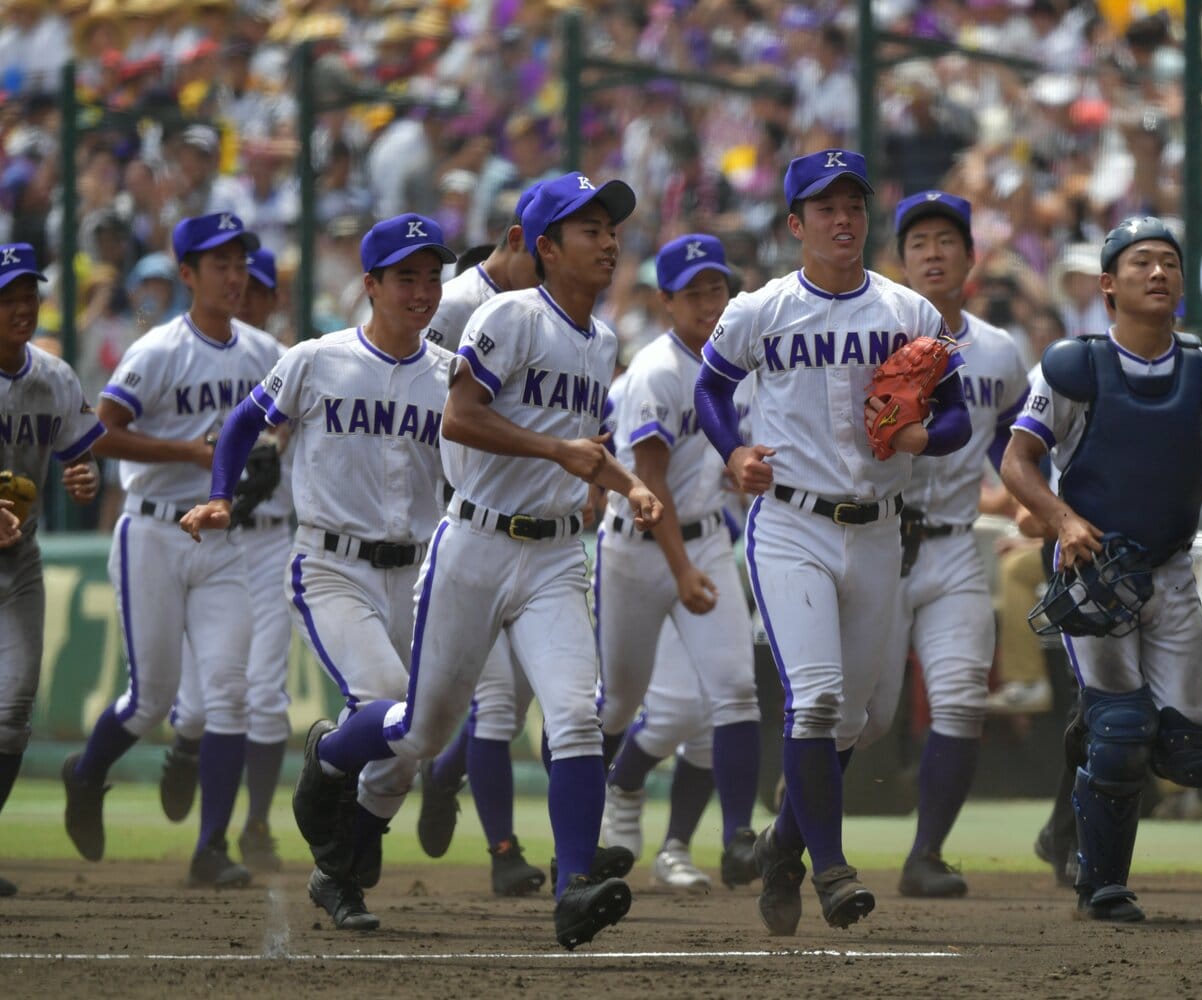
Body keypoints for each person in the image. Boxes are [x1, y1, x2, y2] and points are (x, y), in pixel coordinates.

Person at [284, 172, 663, 951]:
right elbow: (460, 418)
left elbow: (578, 449)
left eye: (611, 227)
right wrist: (559, 450)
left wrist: (626, 484)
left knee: (575, 717)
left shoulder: (600, 339)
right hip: (476, 544)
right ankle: (332, 755)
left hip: (557, 552)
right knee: (422, 729)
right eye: (588, 229)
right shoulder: (508, 316)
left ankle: (574, 886)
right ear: (545, 247)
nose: (609, 240)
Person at [694, 149, 971, 935]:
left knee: (866, 718)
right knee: (814, 700)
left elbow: (952, 415)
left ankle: (785, 845)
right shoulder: (761, 309)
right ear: (795, 224)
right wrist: (734, 452)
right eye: (824, 208)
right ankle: (832, 869)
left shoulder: (909, 311)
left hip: (881, 529)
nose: (842, 219)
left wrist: (922, 437)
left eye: (853, 205)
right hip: (791, 523)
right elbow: (711, 386)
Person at [179, 213, 458, 930]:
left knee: (415, 741)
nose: (422, 291)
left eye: (432, 276)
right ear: (369, 285)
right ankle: (329, 761)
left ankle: (339, 874)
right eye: (405, 277)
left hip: (418, 571)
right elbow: (243, 424)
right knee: (394, 702)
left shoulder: (450, 374)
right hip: (332, 564)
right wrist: (219, 495)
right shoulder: (317, 358)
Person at [999, 216, 1202, 923]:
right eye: (1141, 262)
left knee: (1195, 751)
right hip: (1096, 566)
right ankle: (1102, 884)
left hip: (1171, 570)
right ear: (1108, 284)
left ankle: (1067, 815)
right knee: (1120, 733)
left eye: (1169, 262)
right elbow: (1017, 461)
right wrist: (1062, 520)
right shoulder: (1073, 368)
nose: (1158, 273)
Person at [63, 211, 272, 888]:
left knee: (226, 697)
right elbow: (99, 433)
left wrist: (264, 460)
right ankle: (87, 772)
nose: (235, 276)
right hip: (153, 529)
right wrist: (189, 450)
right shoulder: (158, 350)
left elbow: (282, 432)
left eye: (241, 263)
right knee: (151, 700)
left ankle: (211, 847)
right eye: (220, 265)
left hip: (221, 539)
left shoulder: (263, 354)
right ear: (186, 275)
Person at [858, 191, 1029, 898]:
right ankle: (795, 829)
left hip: (955, 543)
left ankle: (926, 854)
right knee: (866, 717)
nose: (933, 252)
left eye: (946, 241)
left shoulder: (998, 350)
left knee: (960, 700)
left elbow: (1020, 446)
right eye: (919, 241)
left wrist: (1041, 505)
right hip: (873, 535)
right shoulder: (870, 332)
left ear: (970, 257)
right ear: (902, 260)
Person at [595, 233, 760, 888]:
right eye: (693, 292)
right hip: (638, 549)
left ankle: (737, 839)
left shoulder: (737, 366)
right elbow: (652, 483)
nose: (708, 303)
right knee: (620, 706)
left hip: (706, 539)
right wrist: (682, 568)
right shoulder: (657, 372)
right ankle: (596, 816)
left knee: (734, 691)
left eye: (716, 288)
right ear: (666, 302)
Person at [410, 184, 551, 898]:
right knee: (490, 700)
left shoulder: (544, 310)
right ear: (521, 239)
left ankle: (445, 774)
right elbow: (416, 402)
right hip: (457, 515)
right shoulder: (460, 303)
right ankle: (501, 850)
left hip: (526, 517)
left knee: (513, 700)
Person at [159, 243, 295, 875]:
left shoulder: (286, 359)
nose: (253, 294)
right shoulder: (203, 350)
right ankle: (186, 746)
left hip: (272, 539)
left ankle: (255, 825)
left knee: (263, 692)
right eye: (249, 285)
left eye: (263, 287)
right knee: (198, 702)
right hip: (206, 533)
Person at [0, 243, 105, 897]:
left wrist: (84, 473)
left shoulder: (55, 378)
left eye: (27, 297)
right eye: (7, 298)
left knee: (12, 706)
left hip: (20, 557)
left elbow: (81, 458)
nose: (20, 309)